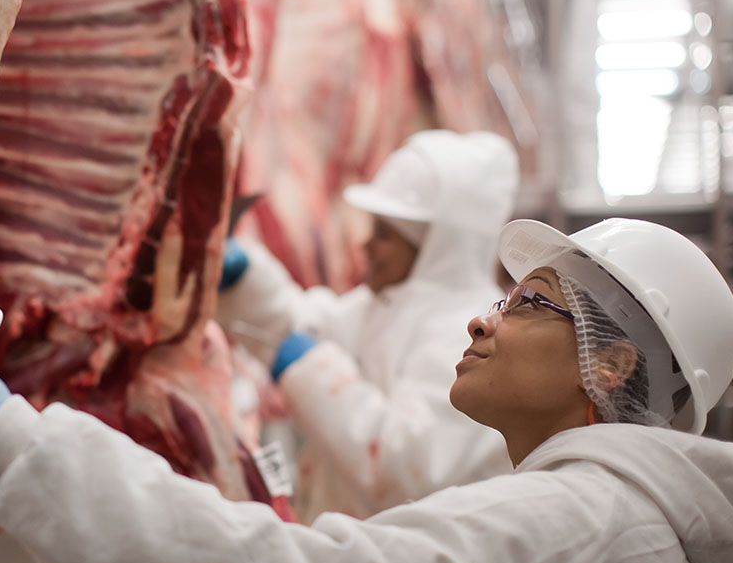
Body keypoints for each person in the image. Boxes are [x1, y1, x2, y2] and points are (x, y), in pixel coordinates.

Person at [0, 217, 733, 563]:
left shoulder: (575, 529)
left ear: (616, 362)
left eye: (529, 306)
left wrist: (12, 434)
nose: (482, 323)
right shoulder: (607, 521)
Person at [216, 130, 519, 518]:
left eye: (385, 235)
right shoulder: (382, 305)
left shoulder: (472, 333)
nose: (365, 244)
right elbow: (305, 326)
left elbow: (406, 465)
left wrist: (307, 369)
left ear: (434, 248)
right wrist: (244, 279)